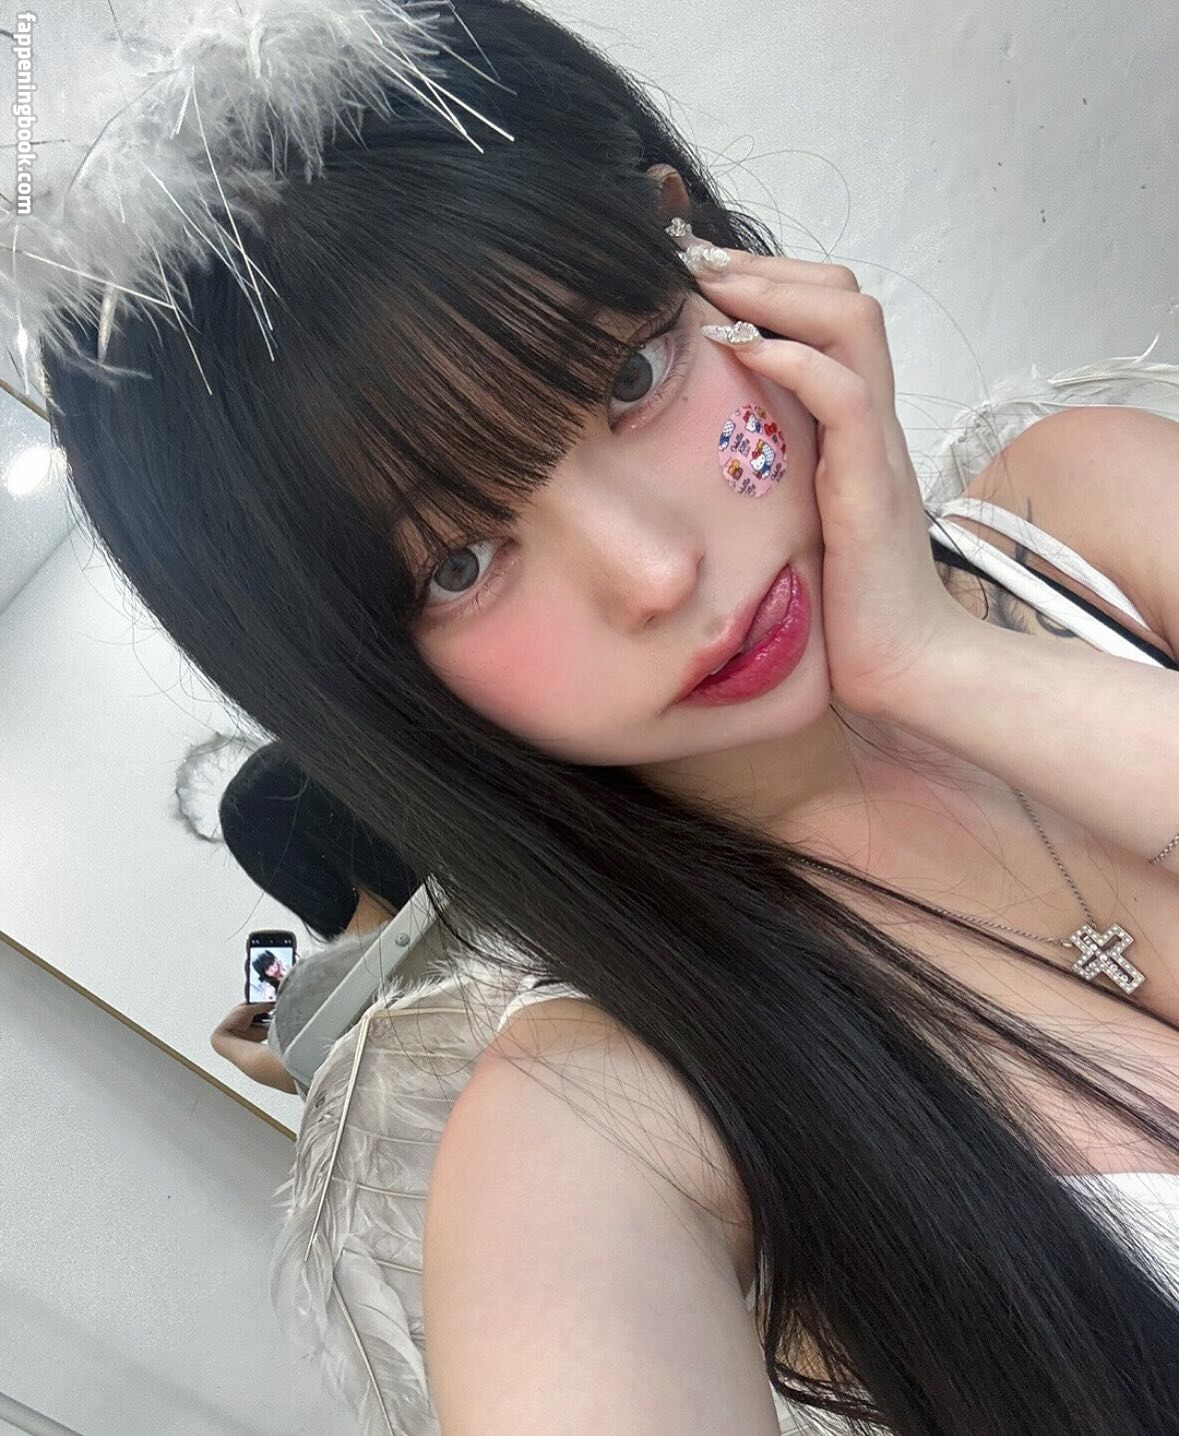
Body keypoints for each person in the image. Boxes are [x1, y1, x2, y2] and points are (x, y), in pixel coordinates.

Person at [33, 1, 1179, 1431]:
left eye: (632, 375)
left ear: (695, 250)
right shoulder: (593, 1119)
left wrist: (949, 666)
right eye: (458, 564)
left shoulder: (1091, 509)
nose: (653, 573)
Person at [210, 742, 420, 1097]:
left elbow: (298, 1074)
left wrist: (225, 1042)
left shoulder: (309, 1002)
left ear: (290, 874)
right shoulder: (484, 863)